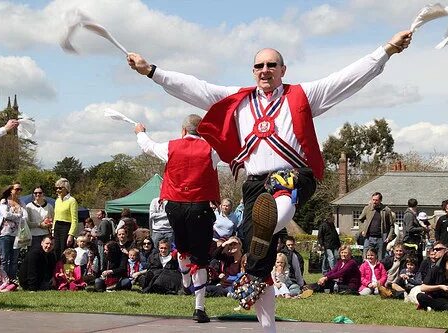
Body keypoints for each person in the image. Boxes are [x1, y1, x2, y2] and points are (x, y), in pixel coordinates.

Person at [127, 30, 411, 332]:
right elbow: (195, 88)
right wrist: (151, 71)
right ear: (253, 71)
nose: (265, 70)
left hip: (293, 174)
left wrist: (386, 50)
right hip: (254, 185)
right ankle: (269, 326)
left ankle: (271, 223)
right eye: (260, 66)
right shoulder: (239, 100)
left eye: (272, 65)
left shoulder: (302, 95)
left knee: (281, 191)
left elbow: (344, 80)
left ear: (283, 70)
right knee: (258, 265)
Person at [133, 114, 220, 323]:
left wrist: (140, 132)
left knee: (182, 248)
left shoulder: (171, 147)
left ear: (183, 131)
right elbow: (233, 154)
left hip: (175, 206)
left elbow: (149, 147)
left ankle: (184, 277)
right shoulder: (211, 150)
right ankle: (199, 308)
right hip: (199, 206)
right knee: (200, 258)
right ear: (202, 132)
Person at [0, 182, 28, 280]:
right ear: (11, 190)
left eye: (20, 189)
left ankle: (12, 280)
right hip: (4, 234)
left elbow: (26, 217)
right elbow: (5, 215)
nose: (19, 191)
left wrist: (16, 217)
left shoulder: (22, 203)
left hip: (17, 235)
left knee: (14, 259)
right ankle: (4, 280)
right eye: (17, 189)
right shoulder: (4, 201)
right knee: (4, 259)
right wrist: (19, 216)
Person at [359, 192, 394, 259]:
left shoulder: (386, 210)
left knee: (380, 259)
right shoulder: (367, 209)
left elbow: (391, 225)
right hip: (369, 238)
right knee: (366, 258)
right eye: (373, 200)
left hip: (380, 238)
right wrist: (362, 230)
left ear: (380, 200)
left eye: (376, 200)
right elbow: (360, 220)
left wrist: (389, 237)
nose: (374, 202)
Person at [52, 178, 78, 260]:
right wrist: (53, 230)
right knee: (56, 250)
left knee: (65, 252)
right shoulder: (57, 200)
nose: (58, 190)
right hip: (57, 227)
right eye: (56, 188)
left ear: (66, 188)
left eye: (60, 188)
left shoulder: (72, 201)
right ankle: (57, 271)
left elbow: (74, 220)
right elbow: (55, 217)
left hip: (66, 227)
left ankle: (66, 271)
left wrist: (71, 235)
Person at [26, 186, 54, 250]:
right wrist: (40, 225)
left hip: (46, 236)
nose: (37, 194)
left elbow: (53, 220)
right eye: (35, 193)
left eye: (40, 193)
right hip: (33, 236)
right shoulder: (29, 206)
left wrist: (49, 224)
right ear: (33, 194)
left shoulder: (49, 206)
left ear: (43, 194)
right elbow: (27, 223)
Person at [402, 198, 425, 263]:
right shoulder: (409, 215)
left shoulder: (413, 214)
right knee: (412, 260)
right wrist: (422, 229)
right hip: (410, 241)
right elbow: (409, 229)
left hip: (414, 241)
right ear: (416, 205)